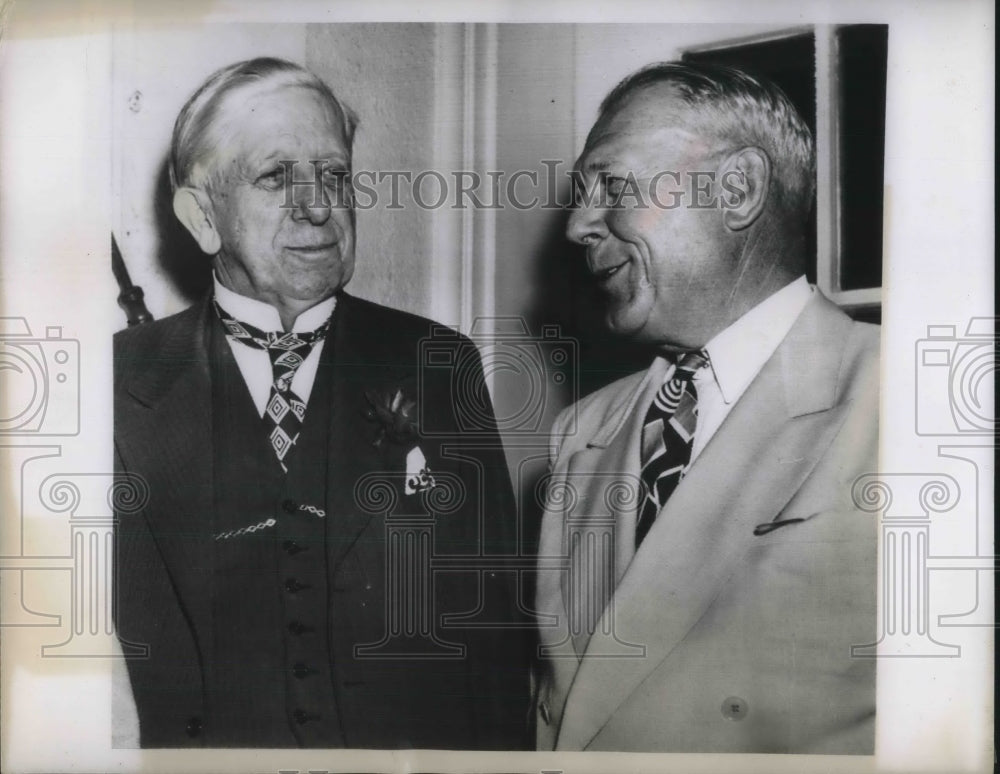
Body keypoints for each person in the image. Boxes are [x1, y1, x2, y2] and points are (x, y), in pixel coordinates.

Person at [113, 57, 532, 749]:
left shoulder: (439, 365)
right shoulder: (116, 382)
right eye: (276, 177)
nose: (318, 206)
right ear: (201, 215)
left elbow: (493, 650)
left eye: (334, 176)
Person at [534, 62, 879, 753]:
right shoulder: (582, 433)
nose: (577, 226)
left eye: (611, 183)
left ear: (737, 188)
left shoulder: (907, 401)